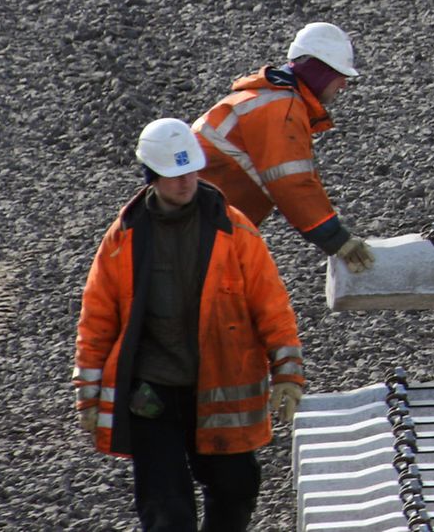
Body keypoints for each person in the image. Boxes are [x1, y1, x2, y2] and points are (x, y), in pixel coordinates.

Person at [77, 118, 304, 532]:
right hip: (152, 391)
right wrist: (88, 396)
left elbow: (270, 303)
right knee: (167, 512)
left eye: (190, 172)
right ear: (151, 176)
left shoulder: (234, 230)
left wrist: (287, 371)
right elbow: (97, 319)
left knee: (235, 487)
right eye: (173, 175)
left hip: (218, 385)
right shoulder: (123, 238)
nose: (184, 183)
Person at [192, 22, 374, 273]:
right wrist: (336, 239)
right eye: (339, 75)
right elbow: (292, 184)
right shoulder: (281, 108)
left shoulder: (271, 99)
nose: (343, 84)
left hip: (194, 218)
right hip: (198, 226)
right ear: (319, 72)